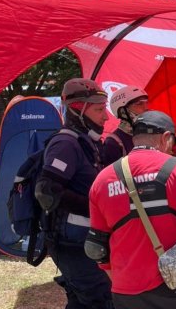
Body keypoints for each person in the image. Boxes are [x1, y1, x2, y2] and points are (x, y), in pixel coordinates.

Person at [85, 110, 176, 309]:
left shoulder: (102, 179)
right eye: (174, 144)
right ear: (166, 138)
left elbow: (96, 246)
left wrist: (119, 278)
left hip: (126, 293)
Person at [34, 78, 113, 309]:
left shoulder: (87, 142)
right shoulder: (66, 144)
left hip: (84, 241)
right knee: (100, 300)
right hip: (72, 245)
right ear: (77, 109)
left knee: (81, 302)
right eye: (99, 109)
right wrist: (96, 209)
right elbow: (47, 191)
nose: (106, 117)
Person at [102, 85, 149, 166]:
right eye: (139, 104)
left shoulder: (150, 134)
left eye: (146, 103)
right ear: (123, 111)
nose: (146, 108)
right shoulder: (113, 143)